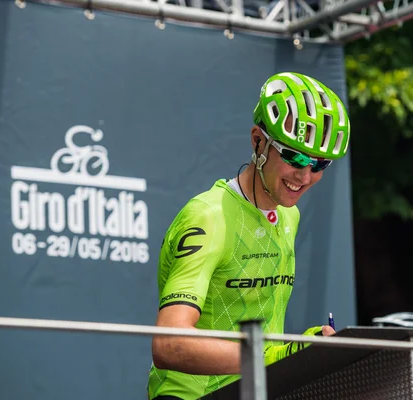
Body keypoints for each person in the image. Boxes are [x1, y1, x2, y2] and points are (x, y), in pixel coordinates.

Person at [147, 72, 351, 400]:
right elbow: (169, 343)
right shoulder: (208, 216)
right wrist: (271, 356)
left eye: (320, 164)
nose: (305, 175)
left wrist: (299, 350)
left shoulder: (289, 214)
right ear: (258, 140)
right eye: (295, 156)